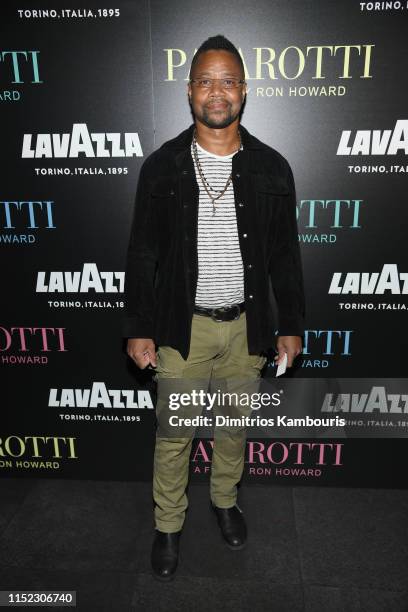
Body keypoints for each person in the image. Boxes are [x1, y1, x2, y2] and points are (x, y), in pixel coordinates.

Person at [122, 34, 305, 581]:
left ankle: (225, 502)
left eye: (228, 81)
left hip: (246, 330)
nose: (217, 92)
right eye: (206, 81)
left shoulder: (272, 167)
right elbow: (142, 253)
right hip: (183, 330)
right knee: (175, 435)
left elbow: (285, 257)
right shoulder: (163, 167)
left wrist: (291, 326)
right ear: (189, 91)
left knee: (231, 429)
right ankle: (169, 526)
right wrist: (137, 326)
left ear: (244, 91)